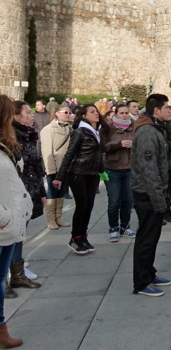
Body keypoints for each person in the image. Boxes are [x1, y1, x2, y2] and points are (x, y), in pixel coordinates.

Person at [130, 94, 171, 297]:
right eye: (166, 108)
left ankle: (149, 273)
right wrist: (159, 200)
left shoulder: (155, 128)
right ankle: (141, 282)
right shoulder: (147, 132)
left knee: (152, 238)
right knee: (146, 240)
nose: (170, 111)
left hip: (153, 193)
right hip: (147, 194)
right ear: (156, 110)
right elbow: (149, 169)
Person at [0, 95, 33, 347]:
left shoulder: (7, 145)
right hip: (3, 224)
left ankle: (1, 328)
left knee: (1, 279)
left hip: (8, 225)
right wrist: (4, 217)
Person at [53, 104, 107, 254]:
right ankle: (75, 238)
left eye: (96, 111)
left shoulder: (96, 132)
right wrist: (59, 177)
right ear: (84, 116)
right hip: (78, 173)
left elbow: (98, 154)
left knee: (89, 206)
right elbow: (69, 154)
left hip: (92, 174)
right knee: (82, 206)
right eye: (92, 112)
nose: (96, 114)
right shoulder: (79, 132)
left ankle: (83, 236)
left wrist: (102, 171)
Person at [10, 101, 44, 291]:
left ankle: (17, 266)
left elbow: (37, 165)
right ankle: (15, 270)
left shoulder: (28, 134)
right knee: (16, 232)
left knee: (21, 230)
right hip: (18, 191)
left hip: (29, 189)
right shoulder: (13, 137)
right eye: (28, 112)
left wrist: (41, 192)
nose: (32, 116)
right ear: (16, 117)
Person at [102, 104, 136, 242]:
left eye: (126, 113)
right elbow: (103, 147)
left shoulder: (134, 127)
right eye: (121, 113)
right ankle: (113, 227)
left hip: (129, 168)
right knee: (114, 201)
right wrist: (119, 144)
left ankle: (125, 226)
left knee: (128, 200)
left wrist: (134, 145)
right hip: (112, 168)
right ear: (115, 114)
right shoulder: (108, 128)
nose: (124, 115)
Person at [40, 104, 73, 230]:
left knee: (62, 192)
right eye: (65, 112)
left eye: (69, 113)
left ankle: (58, 217)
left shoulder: (69, 128)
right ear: (57, 113)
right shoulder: (48, 129)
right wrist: (51, 170)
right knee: (52, 193)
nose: (68, 115)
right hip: (54, 166)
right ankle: (50, 219)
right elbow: (47, 151)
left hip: (65, 166)